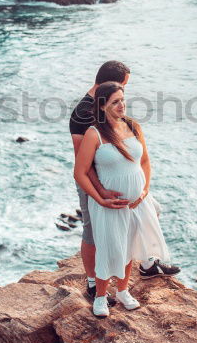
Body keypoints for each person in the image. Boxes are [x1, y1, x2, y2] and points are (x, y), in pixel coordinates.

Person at [69, 61, 179, 302]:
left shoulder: (124, 119)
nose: (123, 94)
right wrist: (100, 193)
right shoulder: (82, 114)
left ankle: (147, 262)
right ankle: (92, 281)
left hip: (118, 173)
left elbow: (142, 157)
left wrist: (142, 189)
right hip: (96, 178)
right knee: (92, 230)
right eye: (121, 86)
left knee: (151, 210)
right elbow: (83, 164)